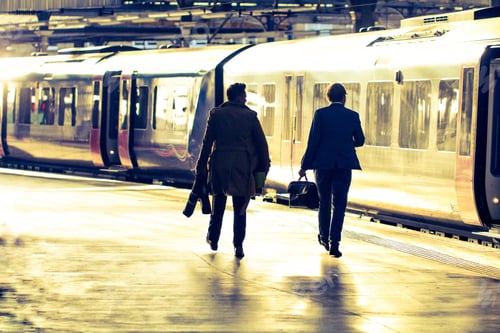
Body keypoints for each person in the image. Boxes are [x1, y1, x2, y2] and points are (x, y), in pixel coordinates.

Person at [195, 83, 270, 259]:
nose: (245, 98)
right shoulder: (250, 116)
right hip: (242, 165)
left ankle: (213, 238)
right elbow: (261, 145)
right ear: (238, 96)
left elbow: (207, 143)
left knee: (218, 202)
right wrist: (264, 167)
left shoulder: (216, 114)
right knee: (240, 207)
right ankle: (238, 245)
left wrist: (201, 167)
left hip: (220, 163)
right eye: (244, 95)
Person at [299, 83, 365, 258]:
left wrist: (304, 165)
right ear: (344, 97)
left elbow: (313, 142)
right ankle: (335, 242)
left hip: (323, 165)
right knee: (340, 204)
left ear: (328, 97)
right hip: (343, 165)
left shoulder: (321, 115)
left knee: (324, 202)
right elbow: (360, 140)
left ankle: (324, 238)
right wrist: (345, 143)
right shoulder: (352, 116)